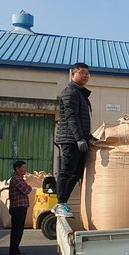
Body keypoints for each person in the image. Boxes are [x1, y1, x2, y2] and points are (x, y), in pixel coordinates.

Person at [53, 62, 95, 217]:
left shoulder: (80, 93)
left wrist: (88, 137)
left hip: (79, 139)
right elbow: (72, 117)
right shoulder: (70, 92)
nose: (85, 76)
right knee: (66, 171)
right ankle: (60, 204)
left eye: (87, 73)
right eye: (81, 73)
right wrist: (79, 139)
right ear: (73, 74)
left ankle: (62, 202)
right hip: (70, 139)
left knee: (76, 173)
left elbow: (83, 119)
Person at [8, 160, 32, 255]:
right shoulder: (16, 179)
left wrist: (28, 187)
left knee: (19, 229)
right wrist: (29, 187)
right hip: (18, 207)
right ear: (17, 169)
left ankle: (15, 249)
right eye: (23, 168)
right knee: (17, 230)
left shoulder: (20, 178)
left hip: (21, 207)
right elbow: (26, 190)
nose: (25, 170)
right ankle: (14, 251)